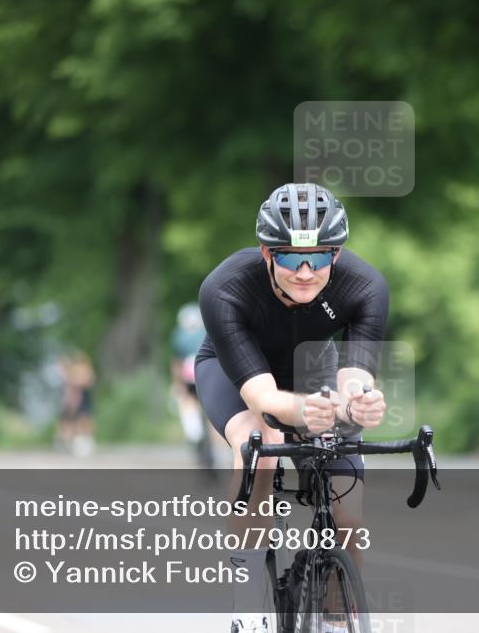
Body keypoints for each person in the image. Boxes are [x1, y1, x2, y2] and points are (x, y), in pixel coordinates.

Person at [194, 183, 389, 632]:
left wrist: (359, 402)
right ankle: (245, 607)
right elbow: (263, 400)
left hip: (313, 370)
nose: (305, 271)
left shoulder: (365, 287)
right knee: (259, 443)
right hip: (236, 373)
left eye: (319, 257)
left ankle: (340, 614)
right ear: (266, 254)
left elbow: (355, 376)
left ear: (336, 256)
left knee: (350, 515)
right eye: (289, 257)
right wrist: (306, 412)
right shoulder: (224, 288)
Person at [170, 302, 218, 475]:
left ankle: (198, 439)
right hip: (205, 377)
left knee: (191, 412)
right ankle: (209, 446)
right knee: (209, 415)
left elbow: (177, 364)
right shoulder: (207, 332)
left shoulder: (179, 336)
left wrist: (177, 385)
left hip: (193, 379)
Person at [56, 350, 96, 456]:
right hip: (74, 399)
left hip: (82, 397)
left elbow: (88, 382)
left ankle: (85, 442)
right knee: (71, 421)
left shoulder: (86, 370)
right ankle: (70, 443)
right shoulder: (74, 371)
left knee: (84, 420)